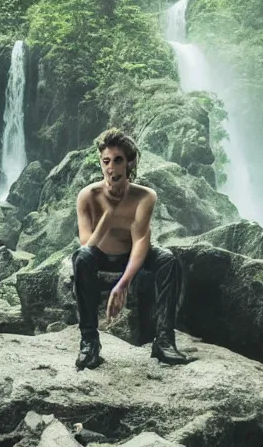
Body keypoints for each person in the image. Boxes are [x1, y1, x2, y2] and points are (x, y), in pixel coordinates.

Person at [71, 128, 190, 369]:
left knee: (167, 259)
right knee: (81, 257)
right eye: (106, 161)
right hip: (100, 255)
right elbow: (87, 244)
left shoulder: (145, 196)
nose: (111, 168)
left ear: (129, 163)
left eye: (117, 161)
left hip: (133, 256)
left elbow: (141, 242)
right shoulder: (87, 196)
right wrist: (108, 215)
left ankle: (164, 342)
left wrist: (123, 284)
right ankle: (89, 343)